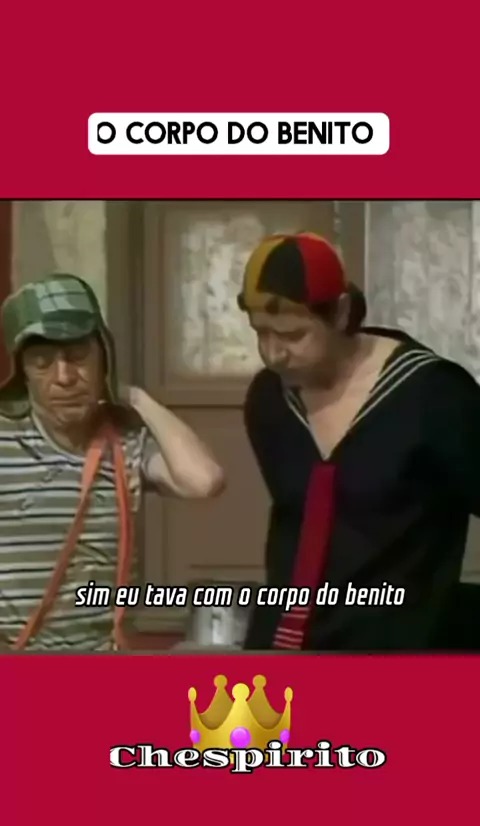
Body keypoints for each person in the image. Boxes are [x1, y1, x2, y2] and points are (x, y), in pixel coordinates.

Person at [238, 231, 480, 651]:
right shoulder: (269, 398)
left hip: (399, 649)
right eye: (261, 333)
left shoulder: (434, 395)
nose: (273, 353)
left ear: (341, 313)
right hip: (287, 644)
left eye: (293, 335)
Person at [0, 274, 225, 651]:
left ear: (103, 357)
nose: (64, 377)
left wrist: (134, 396)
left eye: (78, 356)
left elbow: (203, 481)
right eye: (42, 362)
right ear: (22, 372)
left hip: (102, 662)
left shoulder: (125, 442)